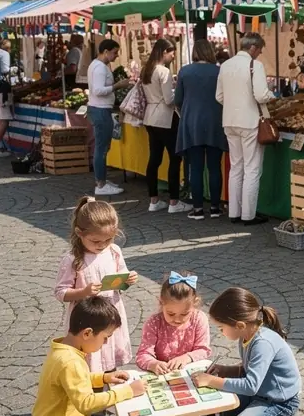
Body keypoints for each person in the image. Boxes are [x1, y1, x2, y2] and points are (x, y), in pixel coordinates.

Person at [20, 297, 148, 416]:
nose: (104, 344)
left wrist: (103, 377)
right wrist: (127, 392)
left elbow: (73, 382)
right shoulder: (70, 361)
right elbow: (86, 403)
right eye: (105, 338)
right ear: (87, 333)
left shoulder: (62, 349)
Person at [192, 287, 304, 416]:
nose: (221, 332)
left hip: (279, 403)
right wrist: (225, 370)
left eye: (221, 327)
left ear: (239, 324)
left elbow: (251, 385)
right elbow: (248, 369)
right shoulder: (246, 335)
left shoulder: (263, 343)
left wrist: (211, 381)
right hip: (259, 395)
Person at [54, 197, 137, 373]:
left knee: (109, 352)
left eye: (108, 239)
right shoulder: (73, 259)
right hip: (87, 316)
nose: (102, 245)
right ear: (80, 233)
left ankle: (109, 382)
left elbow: (120, 278)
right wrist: (82, 292)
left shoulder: (114, 251)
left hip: (110, 310)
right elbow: (61, 292)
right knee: (88, 361)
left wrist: (127, 281)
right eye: (96, 241)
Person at [216, 33, 274, 226]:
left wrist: (234, 105)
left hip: (229, 121)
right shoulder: (254, 66)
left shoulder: (225, 65)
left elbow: (219, 96)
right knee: (252, 169)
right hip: (249, 122)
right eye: (259, 50)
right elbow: (261, 95)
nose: (260, 53)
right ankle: (248, 215)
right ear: (252, 48)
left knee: (236, 167)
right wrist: (271, 95)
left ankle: (234, 212)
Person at [175, 40, 227, 221]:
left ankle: (197, 209)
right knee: (214, 167)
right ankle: (214, 207)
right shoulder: (219, 71)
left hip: (191, 122)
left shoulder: (185, 71)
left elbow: (178, 99)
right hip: (215, 122)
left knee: (195, 168)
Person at [141, 39, 191, 215]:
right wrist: (178, 91)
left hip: (150, 117)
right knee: (175, 158)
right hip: (165, 118)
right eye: (171, 52)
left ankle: (153, 200)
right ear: (163, 52)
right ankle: (174, 201)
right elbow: (169, 100)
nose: (173, 55)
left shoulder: (146, 69)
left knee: (154, 159)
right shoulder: (164, 71)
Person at [135, 272, 212, 374]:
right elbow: (143, 354)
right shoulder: (154, 323)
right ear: (161, 303)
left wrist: (187, 358)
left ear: (195, 303)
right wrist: (153, 363)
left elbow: (203, 349)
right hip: (163, 374)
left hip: (190, 373)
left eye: (184, 314)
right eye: (171, 314)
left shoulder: (199, 319)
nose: (177, 319)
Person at [87, 39, 122, 196]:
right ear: (106, 51)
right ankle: (100, 184)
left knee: (103, 147)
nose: (116, 56)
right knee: (101, 148)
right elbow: (98, 90)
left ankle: (101, 180)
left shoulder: (97, 65)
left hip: (100, 109)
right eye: (114, 52)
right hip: (100, 110)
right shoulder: (100, 68)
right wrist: (117, 86)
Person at [0, 38, 12, 155]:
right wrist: (13, 69)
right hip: (1, 88)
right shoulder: (4, 54)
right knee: (4, 120)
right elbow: (5, 70)